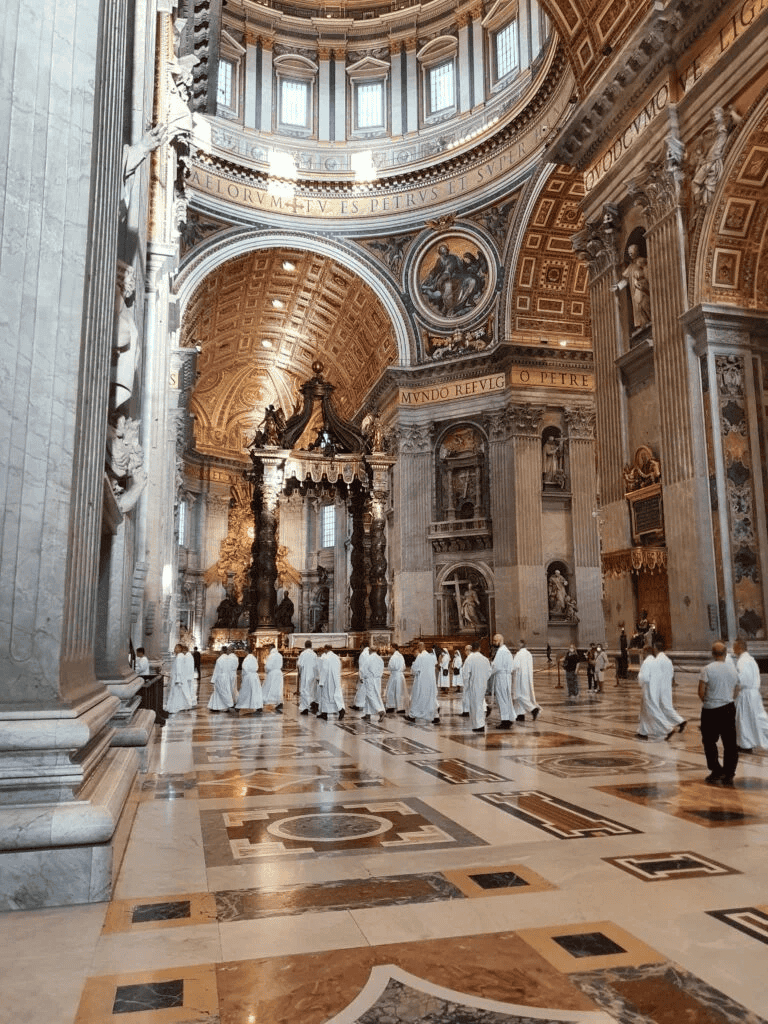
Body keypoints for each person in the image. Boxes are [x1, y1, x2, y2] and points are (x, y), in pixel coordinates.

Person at [698, 640, 739, 784]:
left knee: (709, 741)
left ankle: (716, 769)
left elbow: (701, 691)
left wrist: (709, 701)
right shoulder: (733, 669)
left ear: (712, 654)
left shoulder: (707, 669)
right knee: (730, 742)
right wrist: (726, 698)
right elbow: (737, 690)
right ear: (726, 653)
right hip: (728, 708)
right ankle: (729, 772)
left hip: (710, 710)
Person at [636, 646, 678, 741]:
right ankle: (643, 732)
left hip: (648, 689)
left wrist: (639, 677)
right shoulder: (655, 662)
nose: (642, 654)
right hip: (656, 689)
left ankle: (669, 729)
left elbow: (645, 678)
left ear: (645, 652)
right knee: (644, 712)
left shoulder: (646, 662)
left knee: (653, 711)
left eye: (642, 652)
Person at [734, 638, 768, 752]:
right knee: (758, 717)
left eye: (734, 647)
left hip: (746, 693)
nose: (733, 650)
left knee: (743, 720)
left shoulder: (742, 661)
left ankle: (746, 744)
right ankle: (748, 742)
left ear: (739, 647)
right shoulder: (751, 659)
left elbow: (741, 679)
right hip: (754, 693)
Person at [655, 640, 686, 734]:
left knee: (663, 707)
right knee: (666, 706)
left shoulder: (658, 660)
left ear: (656, 649)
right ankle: (676, 723)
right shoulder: (667, 660)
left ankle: (678, 723)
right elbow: (672, 673)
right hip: (667, 686)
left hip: (660, 687)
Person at [407, 642, 440, 724]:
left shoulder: (420, 657)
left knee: (417, 698)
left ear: (420, 647)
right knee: (431, 698)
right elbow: (435, 666)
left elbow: (414, 670)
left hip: (421, 682)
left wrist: (413, 666)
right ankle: (435, 716)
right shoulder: (431, 657)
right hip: (431, 682)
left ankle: (413, 715)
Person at [463, 640, 492, 732]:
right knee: (479, 703)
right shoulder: (485, 659)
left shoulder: (469, 659)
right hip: (483, 684)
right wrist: (484, 680)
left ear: (471, 649)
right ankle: (478, 724)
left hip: (474, 684)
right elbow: (489, 672)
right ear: (479, 648)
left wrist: (466, 685)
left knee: (475, 705)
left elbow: (466, 674)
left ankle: (479, 725)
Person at [490, 633, 515, 729]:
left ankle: (505, 720)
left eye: (495, 640)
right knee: (506, 698)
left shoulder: (501, 651)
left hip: (501, 677)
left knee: (502, 699)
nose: (493, 642)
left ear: (499, 641)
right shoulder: (506, 651)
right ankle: (508, 718)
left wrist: (488, 672)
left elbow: (496, 666)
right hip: (506, 677)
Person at [623, 244, 651, 328]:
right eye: (629, 253)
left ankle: (651, 318)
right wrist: (618, 286)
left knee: (644, 303)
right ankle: (644, 323)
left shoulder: (642, 261)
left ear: (636, 251)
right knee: (638, 307)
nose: (630, 254)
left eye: (632, 252)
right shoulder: (630, 266)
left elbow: (647, 273)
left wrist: (645, 285)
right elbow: (625, 280)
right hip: (634, 290)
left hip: (642, 286)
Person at [512, 640, 540, 721]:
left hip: (519, 678)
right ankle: (520, 714)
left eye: (518, 644)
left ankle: (533, 709)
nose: (517, 645)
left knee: (518, 695)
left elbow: (515, 666)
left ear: (521, 645)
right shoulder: (528, 654)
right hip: (527, 678)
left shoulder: (519, 654)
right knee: (522, 695)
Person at [317, 644, 345, 720]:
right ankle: (325, 712)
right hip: (335, 679)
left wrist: (321, 681)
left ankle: (339, 710)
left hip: (327, 680)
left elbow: (324, 670)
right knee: (334, 696)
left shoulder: (326, 657)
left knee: (325, 696)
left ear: (326, 649)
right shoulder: (336, 657)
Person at [208, 646, 236, 713]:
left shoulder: (220, 659)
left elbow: (216, 670)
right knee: (222, 691)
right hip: (227, 676)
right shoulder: (229, 658)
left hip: (220, 677)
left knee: (221, 692)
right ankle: (215, 706)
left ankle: (229, 704)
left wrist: (213, 680)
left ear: (222, 651)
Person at [361, 646, 386, 721]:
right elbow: (382, 669)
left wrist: (362, 677)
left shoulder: (369, 658)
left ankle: (380, 711)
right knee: (375, 694)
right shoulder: (379, 658)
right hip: (378, 679)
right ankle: (367, 714)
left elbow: (364, 669)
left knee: (370, 695)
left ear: (370, 650)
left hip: (370, 679)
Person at [165, 644, 191, 714]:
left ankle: (175, 707)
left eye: (176, 648)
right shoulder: (180, 656)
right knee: (180, 692)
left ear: (180, 649)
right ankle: (182, 706)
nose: (175, 649)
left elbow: (179, 669)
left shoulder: (179, 657)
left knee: (176, 692)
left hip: (178, 678)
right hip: (179, 677)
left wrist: (178, 679)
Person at [297, 640, 319, 715]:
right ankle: (313, 702)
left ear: (305, 646)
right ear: (311, 645)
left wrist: (300, 673)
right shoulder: (314, 654)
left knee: (304, 690)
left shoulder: (303, 654)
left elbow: (300, 665)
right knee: (312, 690)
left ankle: (305, 708)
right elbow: (317, 665)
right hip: (313, 674)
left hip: (305, 674)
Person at [262, 643, 284, 712]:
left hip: (272, 673)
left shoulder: (271, 656)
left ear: (270, 648)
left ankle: (269, 700)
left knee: (270, 688)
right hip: (279, 673)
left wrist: (266, 670)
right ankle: (279, 702)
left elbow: (268, 666)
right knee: (278, 688)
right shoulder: (280, 655)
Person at [385, 644, 407, 714]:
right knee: (400, 692)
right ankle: (401, 707)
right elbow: (404, 666)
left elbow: (391, 666)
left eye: (390, 648)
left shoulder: (394, 657)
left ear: (393, 648)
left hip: (394, 675)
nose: (390, 649)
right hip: (400, 675)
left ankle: (391, 706)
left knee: (391, 691)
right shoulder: (401, 656)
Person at [353, 646, 370, 710]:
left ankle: (359, 705)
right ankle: (359, 704)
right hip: (368, 675)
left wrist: (360, 676)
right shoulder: (369, 653)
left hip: (363, 675)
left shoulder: (363, 654)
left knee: (361, 690)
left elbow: (362, 666)